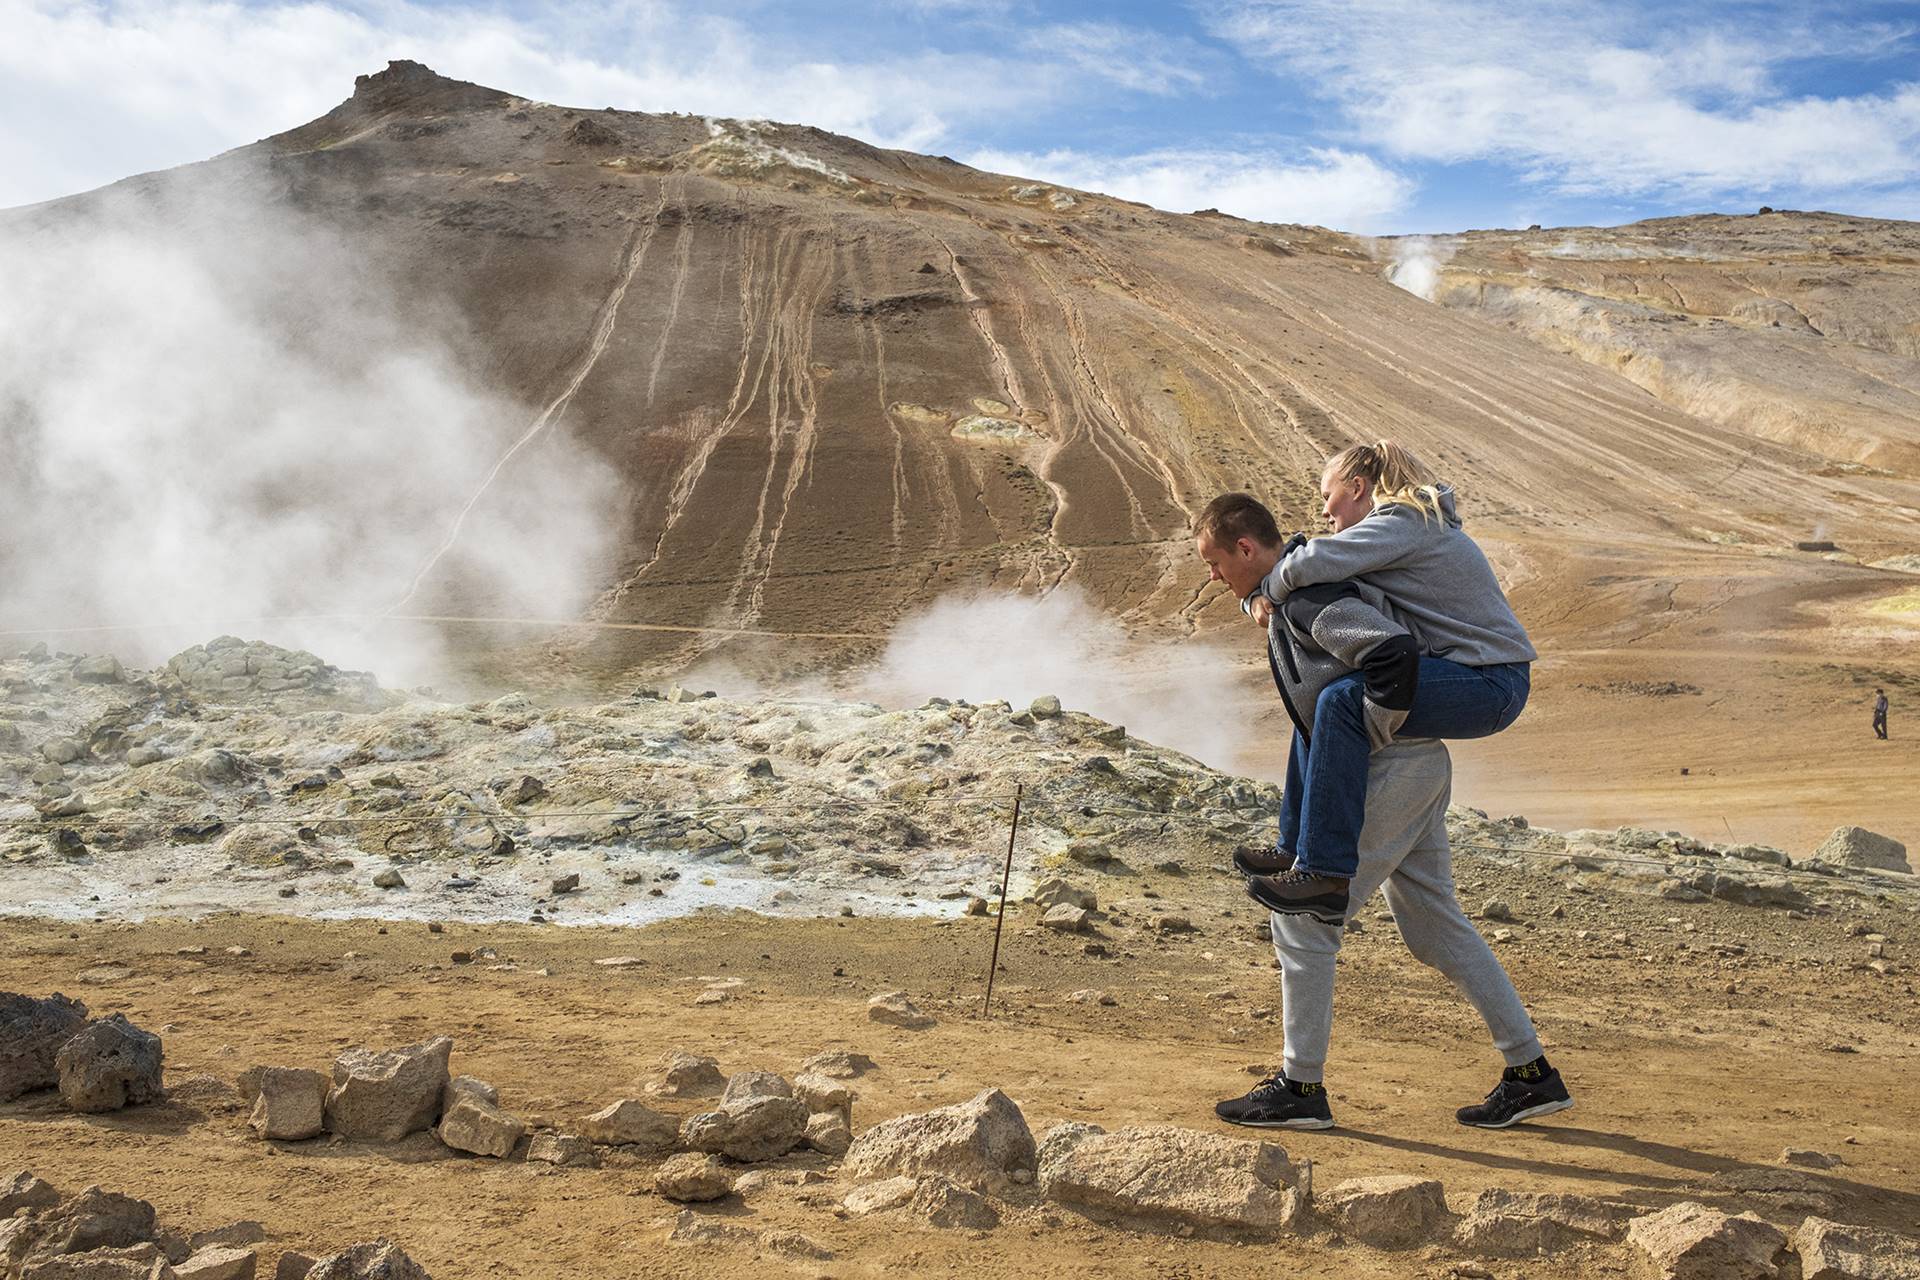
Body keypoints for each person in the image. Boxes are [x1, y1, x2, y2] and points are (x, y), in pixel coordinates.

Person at [1195, 443, 1535, 926]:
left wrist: (1263, 593)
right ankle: (1293, 846)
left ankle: (1326, 872)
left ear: (1358, 489)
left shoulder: (1402, 523)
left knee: (1339, 702)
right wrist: (1251, 600)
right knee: (1317, 702)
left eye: (1328, 495)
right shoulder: (1400, 530)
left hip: (1490, 682)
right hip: (1471, 674)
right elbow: (1297, 555)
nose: (1325, 511)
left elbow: (1305, 564)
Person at [1212, 732, 1573, 1131]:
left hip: (1389, 765)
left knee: (1303, 919)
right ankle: (1531, 1073)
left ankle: (1300, 1090)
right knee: (1433, 924)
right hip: (1414, 762)